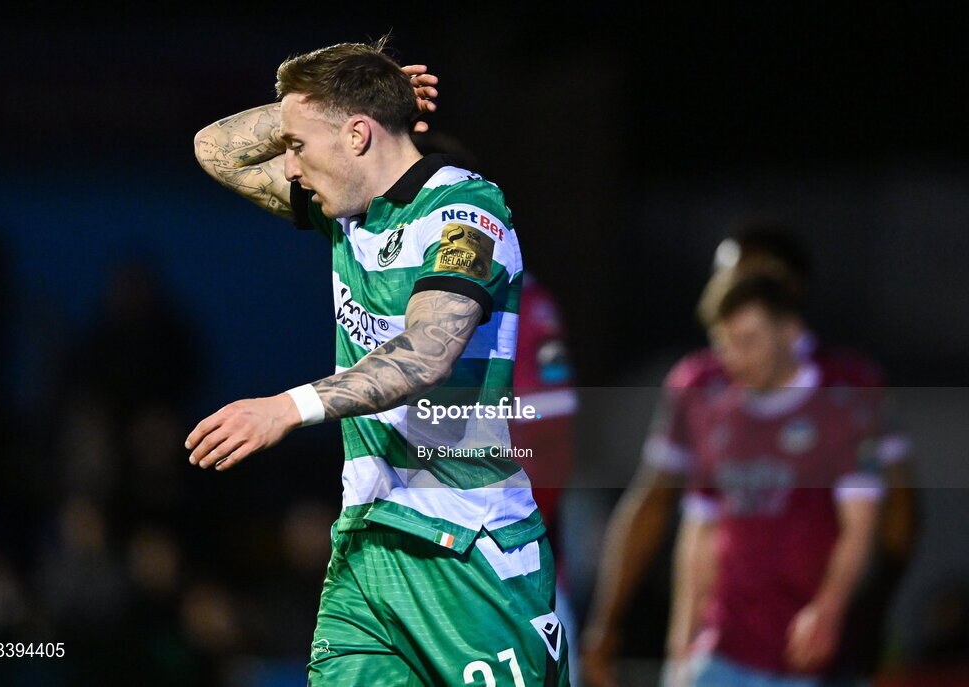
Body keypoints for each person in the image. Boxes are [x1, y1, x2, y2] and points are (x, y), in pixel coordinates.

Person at [187, 39, 569, 686]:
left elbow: (427, 353)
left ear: (358, 137)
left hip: (466, 556)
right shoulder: (347, 212)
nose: (291, 166)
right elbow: (215, 149)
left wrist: (291, 406)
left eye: (298, 146)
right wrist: (362, 88)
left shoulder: (467, 212)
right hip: (366, 548)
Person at [581, 225, 914, 687]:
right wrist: (621, 629)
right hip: (725, 647)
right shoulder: (703, 389)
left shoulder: (849, 390)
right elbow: (674, 514)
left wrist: (866, 613)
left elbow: (893, 514)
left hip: (813, 650)